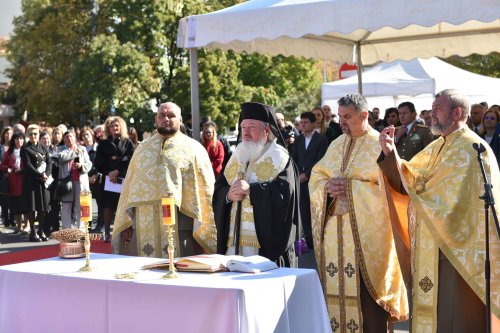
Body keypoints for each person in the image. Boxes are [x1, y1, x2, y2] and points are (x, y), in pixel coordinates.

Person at [378, 89, 500, 333]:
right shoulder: (437, 146)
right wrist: (391, 152)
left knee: (455, 317)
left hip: (458, 252)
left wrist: (420, 198)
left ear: (457, 112)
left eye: (438, 109)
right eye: (432, 108)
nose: (431, 113)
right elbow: (411, 177)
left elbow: (461, 203)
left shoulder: (473, 148)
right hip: (432, 247)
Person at [309, 93, 408, 332]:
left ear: (364, 116)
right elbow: (317, 176)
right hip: (336, 238)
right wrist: (327, 188)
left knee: (368, 307)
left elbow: (394, 189)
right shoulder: (336, 144)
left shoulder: (380, 144)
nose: (341, 122)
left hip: (366, 242)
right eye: (340, 116)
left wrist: (352, 188)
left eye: (347, 117)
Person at [112, 102, 217, 257]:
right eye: (161, 115)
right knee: (143, 272)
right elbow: (129, 186)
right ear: (156, 119)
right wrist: (127, 223)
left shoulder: (193, 149)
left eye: (171, 115)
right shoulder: (142, 149)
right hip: (142, 223)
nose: (166, 119)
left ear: (180, 119)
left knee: (179, 270)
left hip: (180, 223)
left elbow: (205, 190)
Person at [213, 102, 300, 267]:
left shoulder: (280, 158)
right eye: (243, 127)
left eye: (251, 127)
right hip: (233, 239)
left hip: (263, 245)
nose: (245, 132)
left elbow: (285, 197)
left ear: (266, 131)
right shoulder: (238, 153)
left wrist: (252, 191)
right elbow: (220, 187)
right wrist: (227, 195)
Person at [290, 111, 328, 249]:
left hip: (315, 181)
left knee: (316, 210)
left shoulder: (321, 139)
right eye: (301, 122)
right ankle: (307, 241)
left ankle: (319, 239)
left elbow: (321, 159)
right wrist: (298, 174)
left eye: (306, 122)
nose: (303, 125)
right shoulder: (298, 140)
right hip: (300, 181)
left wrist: (307, 174)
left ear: (314, 123)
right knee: (303, 211)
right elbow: (293, 158)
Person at [94, 116, 135, 241]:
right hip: (108, 180)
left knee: (124, 207)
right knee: (108, 207)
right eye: (112, 126)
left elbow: (131, 158)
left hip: (123, 178)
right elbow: (98, 162)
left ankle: (126, 234)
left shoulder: (127, 142)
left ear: (121, 127)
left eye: (116, 126)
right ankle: (107, 233)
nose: (114, 128)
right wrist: (109, 173)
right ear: (108, 128)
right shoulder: (103, 143)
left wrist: (117, 170)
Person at [21, 124, 52, 242]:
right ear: (28, 136)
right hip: (31, 182)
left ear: (39, 135)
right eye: (31, 134)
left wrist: (47, 174)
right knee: (32, 208)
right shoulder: (25, 149)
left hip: (43, 182)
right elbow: (28, 166)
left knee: (43, 208)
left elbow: (49, 162)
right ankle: (33, 232)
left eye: (35, 134)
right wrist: (41, 175)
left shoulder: (43, 148)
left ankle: (41, 230)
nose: (33, 136)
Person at [57, 131, 92, 230]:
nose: (69, 138)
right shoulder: (61, 149)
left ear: (75, 138)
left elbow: (89, 164)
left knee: (81, 206)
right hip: (66, 183)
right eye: (66, 137)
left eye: (71, 136)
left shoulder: (83, 149)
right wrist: (74, 152)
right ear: (64, 139)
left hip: (80, 182)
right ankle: (66, 230)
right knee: (66, 207)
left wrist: (81, 166)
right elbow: (61, 158)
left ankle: (81, 230)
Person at [0, 133, 29, 234]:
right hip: (13, 182)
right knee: (16, 205)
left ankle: (27, 225)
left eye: (21, 138)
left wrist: (23, 169)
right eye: (17, 139)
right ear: (14, 140)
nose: (19, 141)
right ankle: (19, 225)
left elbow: (30, 164)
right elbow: (2, 165)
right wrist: (7, 168)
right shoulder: (9, 152)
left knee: (25, 205)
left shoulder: (27, 150)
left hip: (24, 180)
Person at [81, 127, 104, 232]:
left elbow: (102, 164)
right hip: (85, 180)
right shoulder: (81, 150)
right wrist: (87, 177)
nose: (86, 137)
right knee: (86, 203)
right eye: (83, 135)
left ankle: (100, 225)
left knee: (100, 203)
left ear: (92, 136)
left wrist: (95, 175)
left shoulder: (99, 148)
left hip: (97, 179)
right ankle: (87, 226)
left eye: (87, 135)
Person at [0, 126, 14, 227]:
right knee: (4, 197)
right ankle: (5, 217)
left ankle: (12, 218)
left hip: (14, 175)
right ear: (3, 135)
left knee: (13, 197)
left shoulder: (15, 147)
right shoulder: (0, 147)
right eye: (6, 133)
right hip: (2, 175)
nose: (8, 136)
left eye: (10, 134)